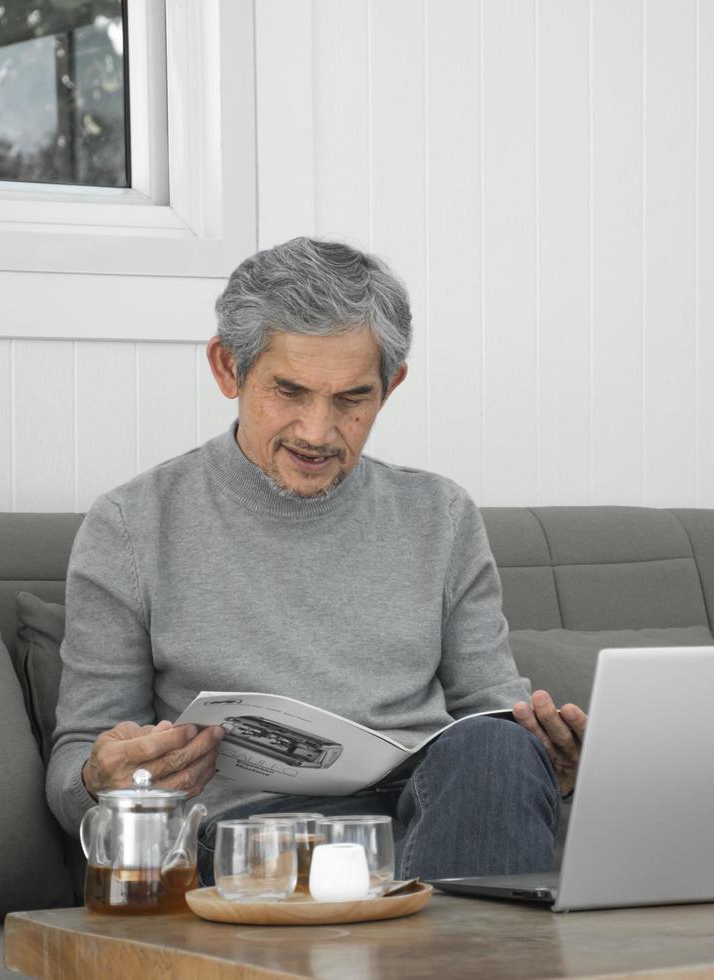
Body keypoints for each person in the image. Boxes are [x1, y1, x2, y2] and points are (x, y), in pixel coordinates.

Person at [45, 237, 587, 880]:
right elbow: (76, 767)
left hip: (427, 813)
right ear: (227, 369)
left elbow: (493, 715)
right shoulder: (133, 525)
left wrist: (547, 765)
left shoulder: (440, 515)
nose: (317, 432)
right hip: (253, 833)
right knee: (325, 847)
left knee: (499, 748)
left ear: (390, 387)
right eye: (290, 391)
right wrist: (102, 774)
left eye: (351, 399)